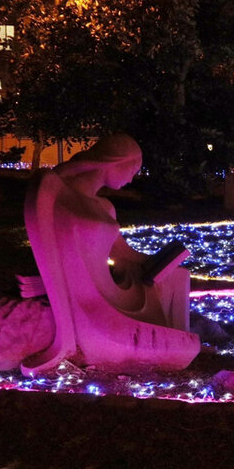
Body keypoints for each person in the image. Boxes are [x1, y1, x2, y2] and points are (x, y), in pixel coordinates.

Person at [21, 134, 199, 373]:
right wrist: (47, 283)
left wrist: (163, 262)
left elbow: (126, 255)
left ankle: (174, 330)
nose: (131, 178)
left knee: (179, 277)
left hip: (116, 295)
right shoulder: (58, 196)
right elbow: (52, 253)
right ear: (115, 162)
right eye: (132, 170)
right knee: (185, 350)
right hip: (91, 308)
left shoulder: (106, 207)